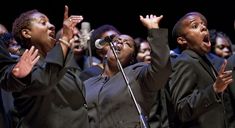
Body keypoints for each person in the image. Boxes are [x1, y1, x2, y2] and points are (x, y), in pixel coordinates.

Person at [8, 5, 90, 128]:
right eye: (43, 22)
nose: (52, 26)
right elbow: (44, 81)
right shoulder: (18, 64)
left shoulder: (60, 62)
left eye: (50, 22)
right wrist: (65, 38)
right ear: (26, 33)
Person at [84, 14, 171, 128]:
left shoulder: (137, 74)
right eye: (116, 40)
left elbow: (161, 69)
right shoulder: (88, 83)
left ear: (132, 59)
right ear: (105, 53)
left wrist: (153, 28)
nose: (119, 42)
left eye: (127, 43)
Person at [169, 12, 233, 128]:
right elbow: (182, 110)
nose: (204, 27)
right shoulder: (184, 62)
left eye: (204, 25)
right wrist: (214, 89)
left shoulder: (206, 60)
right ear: (182, 40)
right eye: (195, 26)